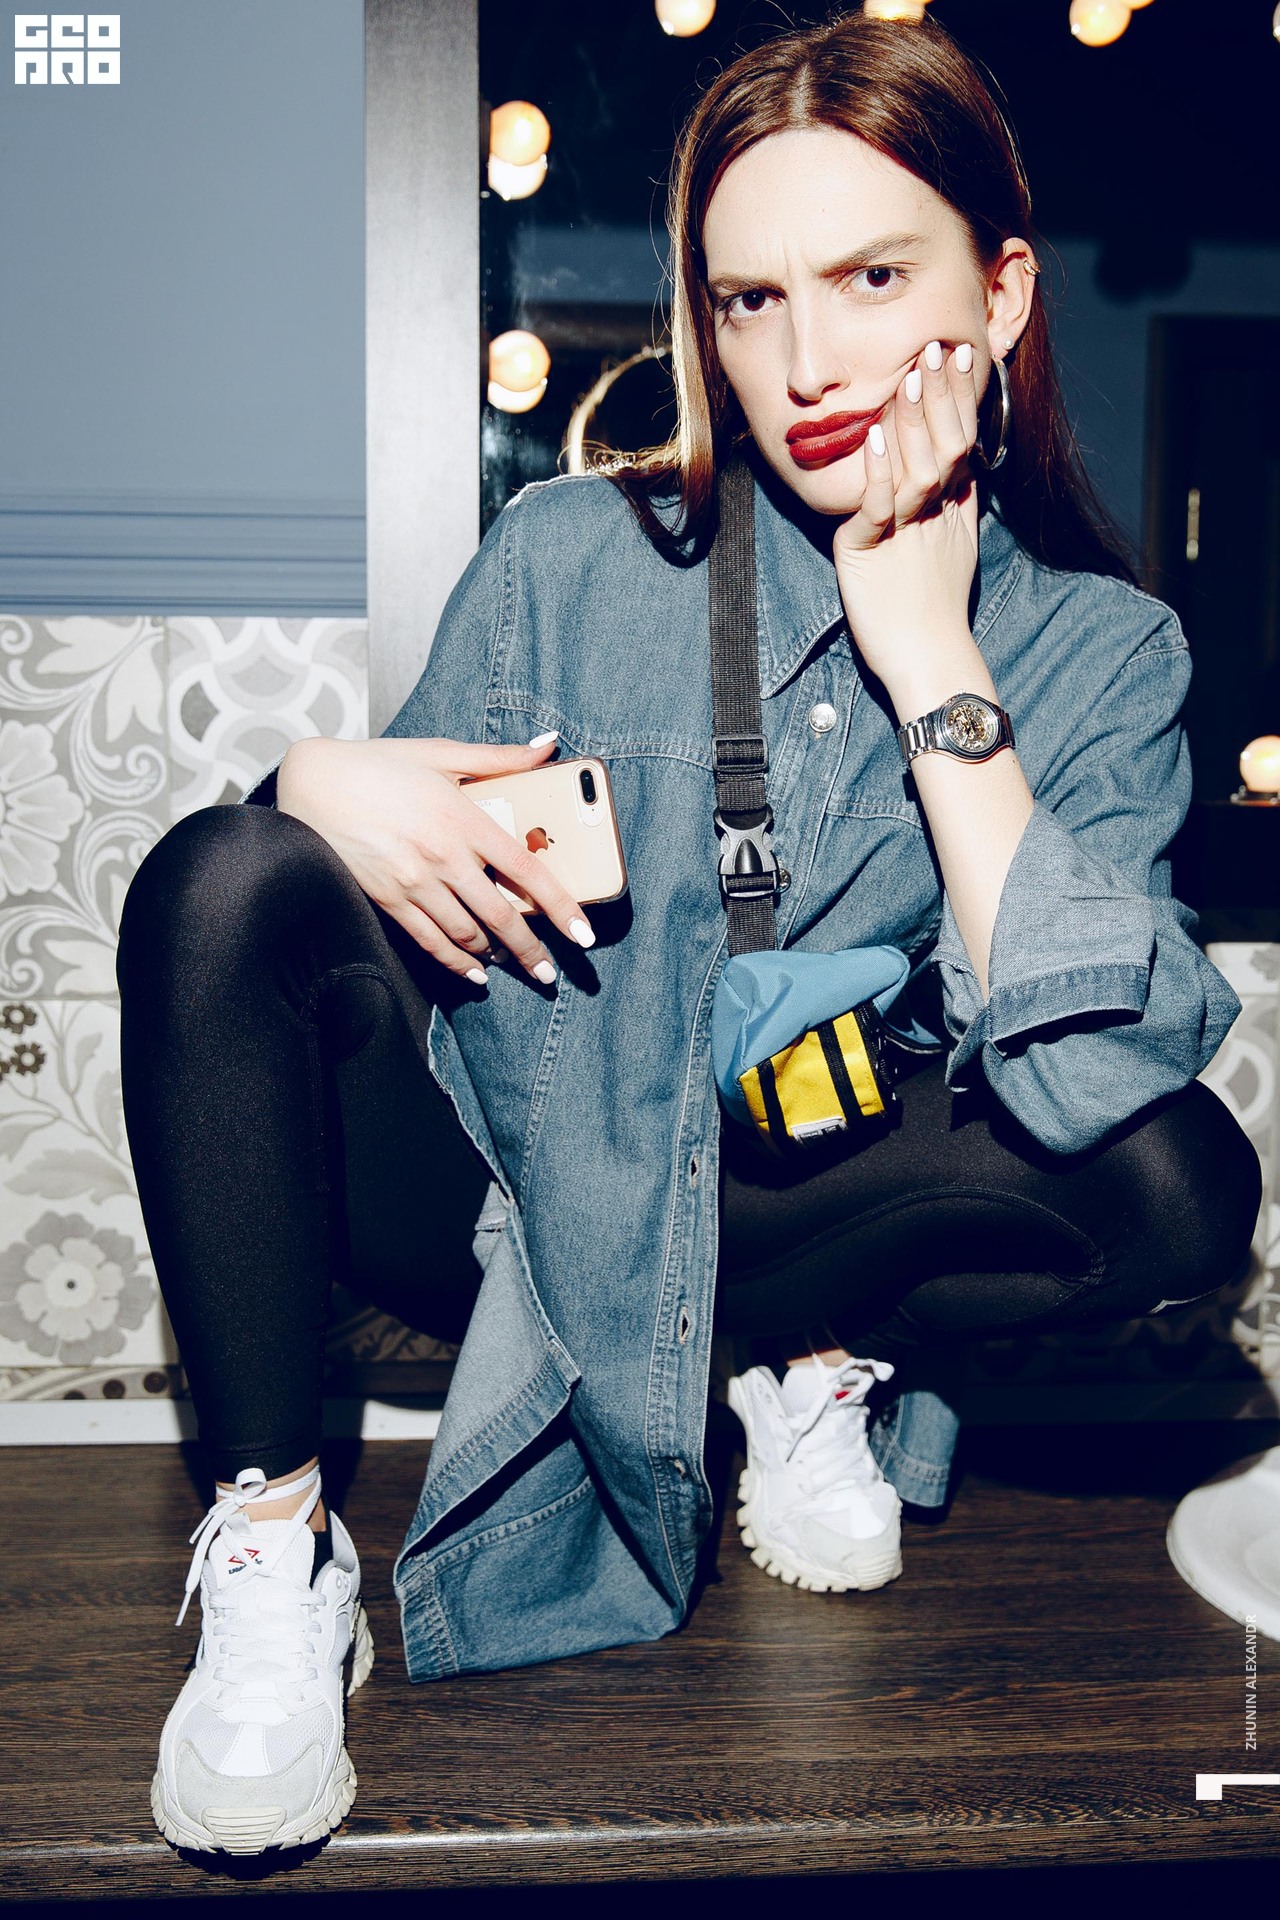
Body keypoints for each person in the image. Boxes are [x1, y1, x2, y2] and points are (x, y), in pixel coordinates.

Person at [117, 11, 1260, 1859]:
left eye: (872, 278)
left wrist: (931, 657)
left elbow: (1089, 1078)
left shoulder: (1105, 653)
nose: (804, 364)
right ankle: (273, 1546)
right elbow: (313, 950)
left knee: (1181, 1176)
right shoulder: (571, 556)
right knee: (214, 874)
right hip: (514, 1190)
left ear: (1002, 293)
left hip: (794, 1212)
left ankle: (806, 1364)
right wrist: (307, 789)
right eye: (749, 301)